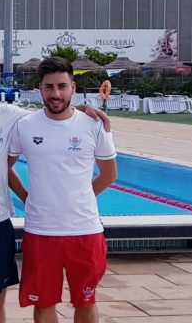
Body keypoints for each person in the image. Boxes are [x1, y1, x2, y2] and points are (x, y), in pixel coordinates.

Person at [0, 60, 112, 323]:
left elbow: (58, 116)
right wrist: (28, 198)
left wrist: (81, 110)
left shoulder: (14, 116)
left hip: (1, 221)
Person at [7, 57, 117, 323]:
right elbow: (5, 168)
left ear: (73, 87)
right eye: (49, 87)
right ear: (40, 89)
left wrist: (81, 197)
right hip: (42, 231)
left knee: (86, 302)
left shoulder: (93, 125)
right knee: (43, 303)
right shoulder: (25, 126)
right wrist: (26, 198)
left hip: (85, 230)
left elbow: (109, 174)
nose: (55, 94)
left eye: (61, 86)